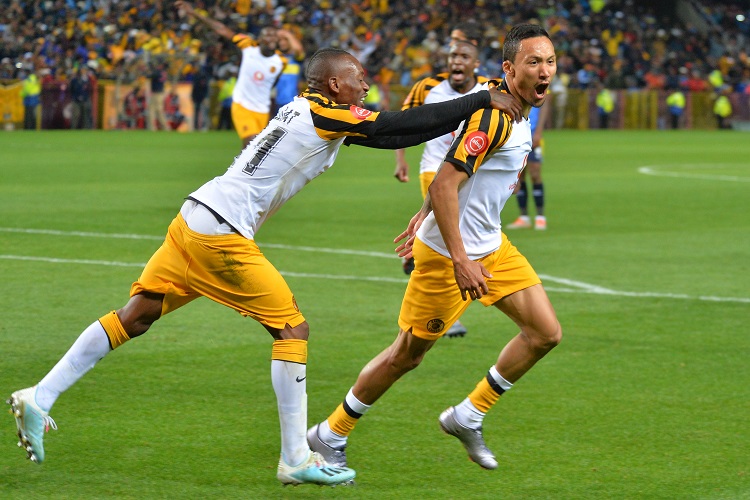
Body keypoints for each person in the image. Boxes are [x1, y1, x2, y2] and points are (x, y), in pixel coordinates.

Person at [7, 47, 522, 486]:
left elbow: (387, 132)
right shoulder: (325, 110)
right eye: (358, 78)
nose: (366, 84)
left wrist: (467, 105)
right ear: (333, 83)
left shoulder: (307, 109)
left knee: (137, 315)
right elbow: (395, 128)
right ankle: (296, 458)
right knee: (291, 328)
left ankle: (40, 395)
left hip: (195, 217)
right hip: (222, 233)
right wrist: (479, 99)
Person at [306, 25, 562, 473]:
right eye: (534, 63)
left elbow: (456, 170)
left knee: (545, 334)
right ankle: (330, 433)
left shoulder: (516, 109)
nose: (545, 71)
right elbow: (447, 181)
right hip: (449, 258)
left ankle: (468, 415)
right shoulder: (494, 115)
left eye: (550, 61)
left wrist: (424, 207)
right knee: (407, 354)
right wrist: (459, 257)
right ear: (509, 68)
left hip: (493, 247)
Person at [392, 23, 488, 338]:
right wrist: (401, 160)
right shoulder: (427, 87)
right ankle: (446, 316)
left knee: (448, 238)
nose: (456, 61)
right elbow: (404, 123)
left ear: (475, 63)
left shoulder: (489, 89)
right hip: (434, 171)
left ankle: (416, 257)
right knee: (450, 239)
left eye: (463, 56)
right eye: (452, 56)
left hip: (469, 172)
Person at [176, 1, 285, 147]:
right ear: (260, 39)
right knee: (250, 143)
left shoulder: (280, 61)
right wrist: (194, 13)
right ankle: (240, 170)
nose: (271, 38)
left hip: (262, 109)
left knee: (256, 150)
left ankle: (241, 169)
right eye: (267, 35)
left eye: (274, 36)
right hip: (242, 105)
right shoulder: (248, 46)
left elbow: (273, 82)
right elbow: (221, 29)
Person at [506, 98, 552, 230]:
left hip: (533, 134)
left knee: (535, 173)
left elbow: (546, 102)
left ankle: (540, 217)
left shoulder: (538, 83)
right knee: (520, 175)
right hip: (517, 135)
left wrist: (539, 132)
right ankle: (524, 217)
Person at [273, 28, 305, 113]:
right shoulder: (277, 58)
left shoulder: (296, 58)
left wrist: (288, 34)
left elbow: (298, 49)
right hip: (278, 102)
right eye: (280, 40)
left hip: (294, 102)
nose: (282, 43)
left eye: (285, 40)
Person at [148, 61, 169, 130]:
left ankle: (153, 127)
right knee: (158, 110)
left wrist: (149, 69)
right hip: (160, 93)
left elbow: (149, 76)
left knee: (153, 110)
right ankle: (165, 127)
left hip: (156, 94)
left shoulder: (158, 72)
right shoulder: (163, 72)